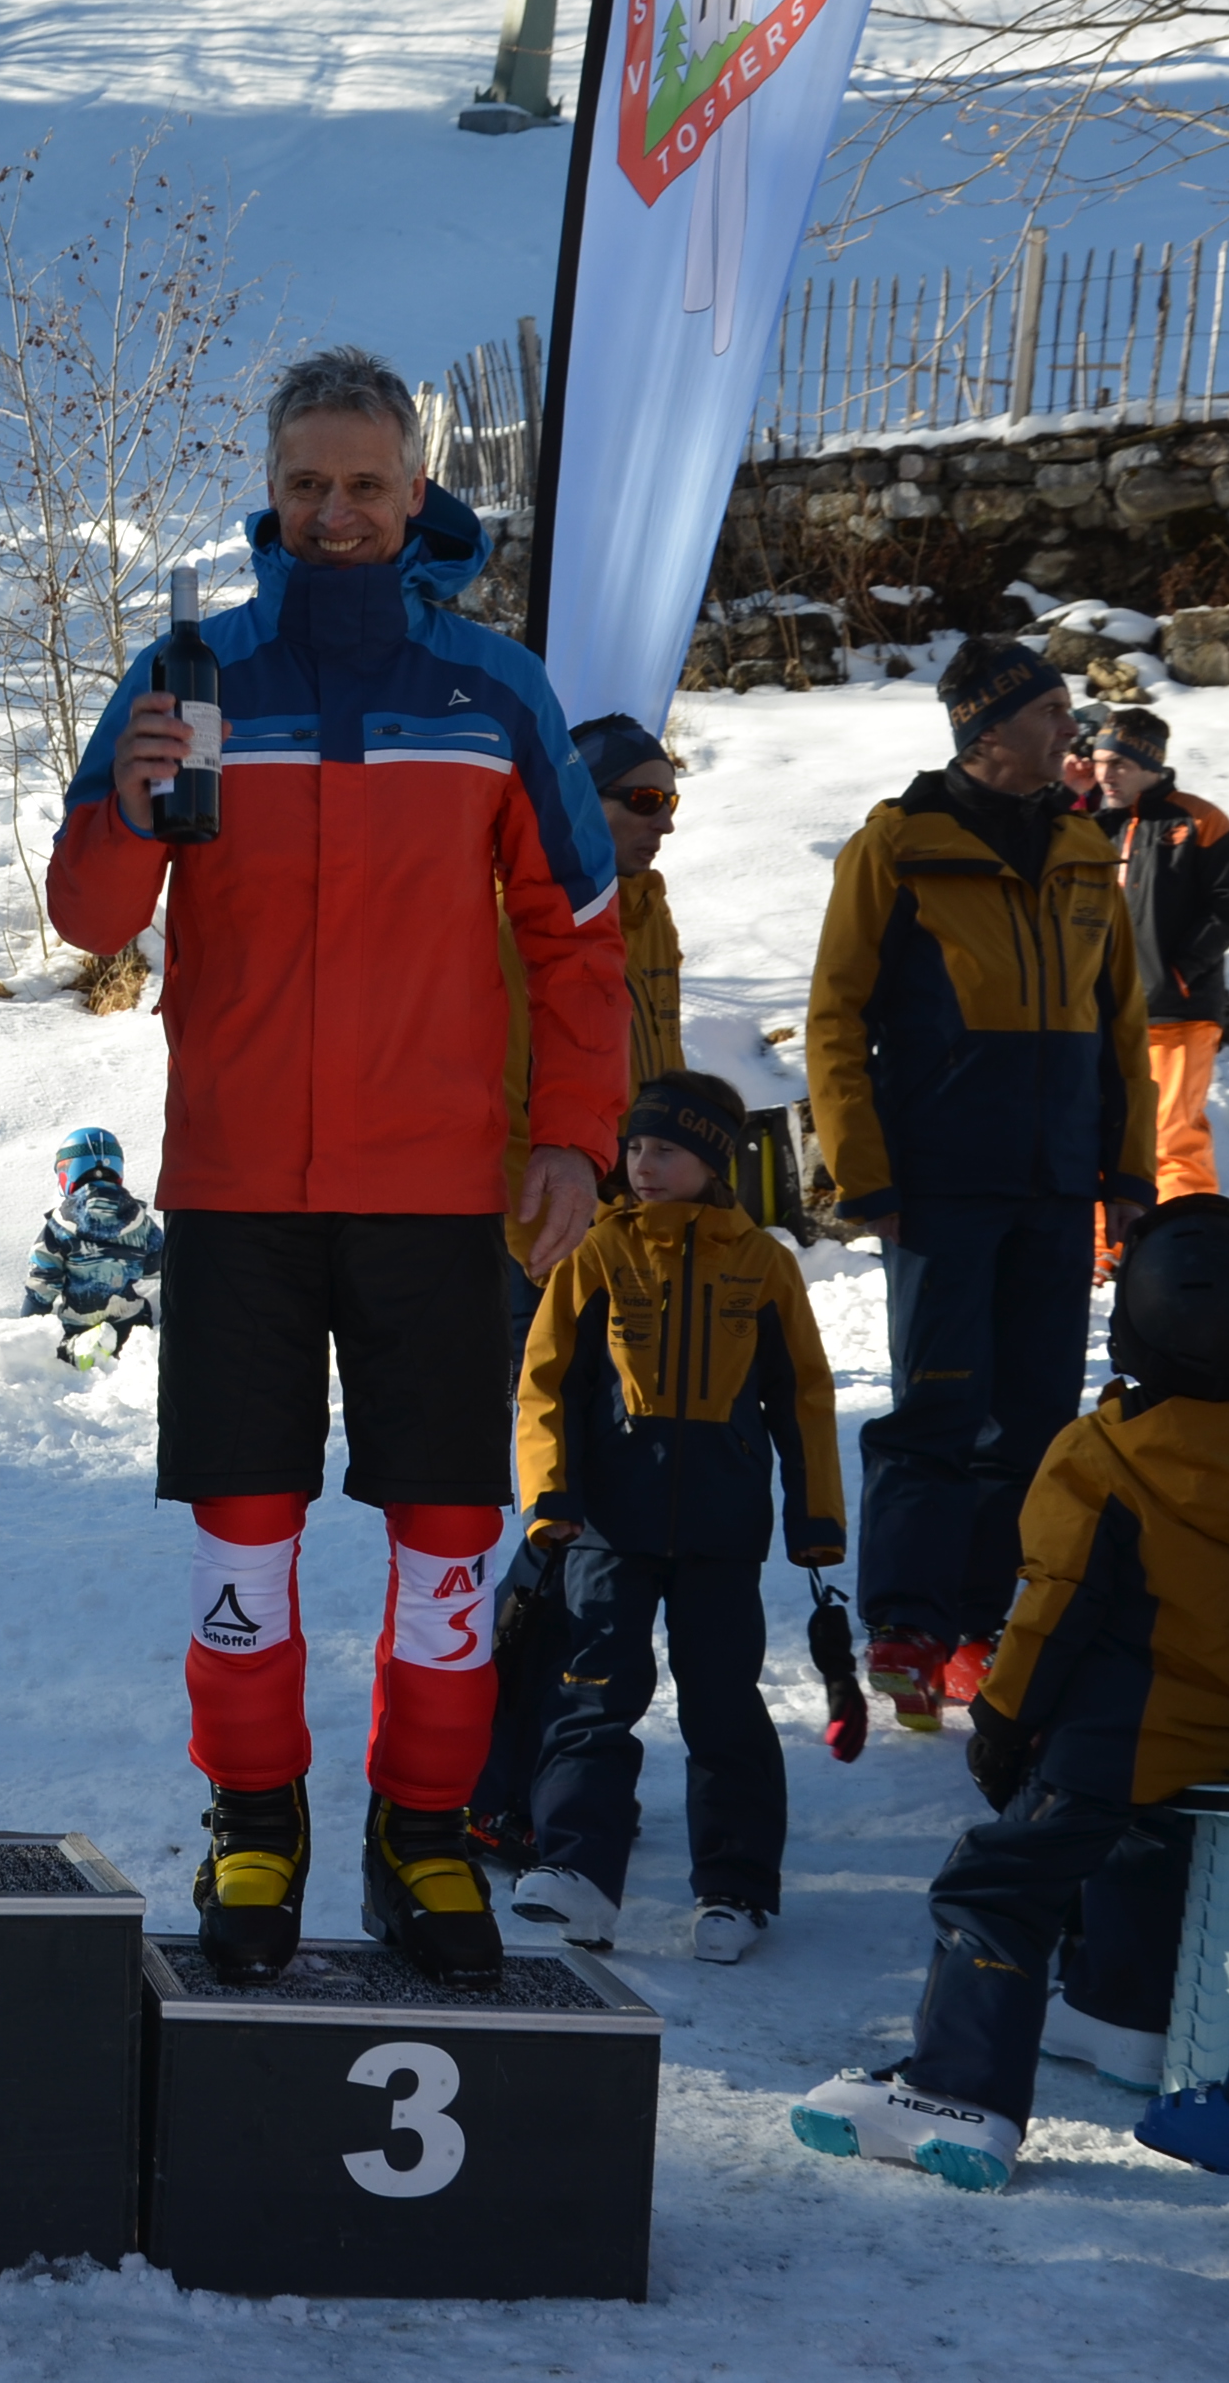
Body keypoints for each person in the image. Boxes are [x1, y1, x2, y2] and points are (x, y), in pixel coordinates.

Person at [48, 343, 627, 1984]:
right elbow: (87, 915)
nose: (336, 512)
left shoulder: (492, 691)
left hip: (439, 1192)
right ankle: (254, 1821)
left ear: (414, 488)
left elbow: (578, 936)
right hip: (237, 1184)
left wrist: (572, 1137)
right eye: (306, 483)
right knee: (244, 1536)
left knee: (446, 1540)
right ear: (270, 490)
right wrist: (132, 805)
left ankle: (422, 1834)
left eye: (366, 484)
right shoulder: (192, 674)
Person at [792, 1195, 1229, 2192]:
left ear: (1133, 1326)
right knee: (1146, 1856)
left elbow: (1052, 1612)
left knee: (994, 1884)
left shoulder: (1102, 1454)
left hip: (1119, 1742)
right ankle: (1121, 2017)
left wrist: (1002, 1725)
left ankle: (958, 2091)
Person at [806, 635, 1156, 1732]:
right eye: (1052, 713)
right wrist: (863, 1171)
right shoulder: (899, 843)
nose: (1073, 732)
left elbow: (1122, 1025)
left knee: (1038, 1415)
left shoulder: (1087, 847)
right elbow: (835, 1016)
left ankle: (985, 1623)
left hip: (1055, 1183)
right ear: (989, 731)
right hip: (940, 1184)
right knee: (938, 1410)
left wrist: (1129, 1168)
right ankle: (907, 1626)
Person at [504, 1071, 843, 1965]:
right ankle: (577, 1871)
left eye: (667, 1149)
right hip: (608, 1530)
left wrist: (815, 1515)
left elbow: (803, 1398)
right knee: (591, 1696)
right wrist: (551, 1497)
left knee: (724, 1708)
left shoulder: (763, 1264)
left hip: (721, 1534)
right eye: (634, 1147)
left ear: (713, 1160)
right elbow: (545, 1386)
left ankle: (735, 1888)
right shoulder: (598, 1253)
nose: (642, 1165)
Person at [474, 710, 683, 1876]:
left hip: (633, 1252)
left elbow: (661, 1084)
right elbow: (506, 1101)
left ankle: (558, 1769)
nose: (662, 823)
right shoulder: (518, 917)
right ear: (575, 803)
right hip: (541, 1252)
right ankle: (494, 1777)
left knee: (614, 1515)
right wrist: (549, 1243)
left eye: (669, 802)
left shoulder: (647, 909)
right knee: (568, 1516)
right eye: (639, 801)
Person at [1093, 706, 1229, 1274]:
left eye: (1117, 763)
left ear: (1149, 764)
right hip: (1101, 1014)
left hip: (1179, 1013)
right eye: (1098, 761)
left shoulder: (1199, 820)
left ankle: (1188, 1250)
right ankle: (1103, 1248)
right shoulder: (1092, 824)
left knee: (1172, 1135)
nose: (1104, 773)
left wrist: (1181, 971)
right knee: (1099, 1132)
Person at [19, 1126, 164, 1367]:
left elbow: (42, 1284)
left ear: (68, 1171)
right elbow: (158, 1266)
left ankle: (83, 1350)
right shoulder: (139, 1219)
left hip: (77, 1325)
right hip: (133, 1325)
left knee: (71, 1344)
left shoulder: (59, 1225)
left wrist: (24, 1331)